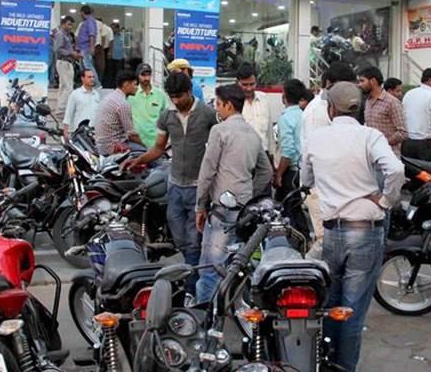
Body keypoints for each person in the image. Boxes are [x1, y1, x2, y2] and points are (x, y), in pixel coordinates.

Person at [300, 81, 404, 372]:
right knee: (352, 311)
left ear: (331, 109)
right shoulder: (370, 136)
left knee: (330, 305)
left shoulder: (316, 139)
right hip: (365, 230)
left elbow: (305, 179)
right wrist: (386, 201)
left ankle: (326, 363)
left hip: (332, 232)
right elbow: (396, 170)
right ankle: (344, 367)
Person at [125, 72, 218, 294]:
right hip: (174, 187)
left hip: (198, 188)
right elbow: (158, 148)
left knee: (194, 241)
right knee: (180, 238)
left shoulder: (208, 115)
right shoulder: (166, 117)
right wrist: (139, 160)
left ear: (189, 92)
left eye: (179, 96)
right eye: (172, 97)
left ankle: (192, 289)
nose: (175, 101)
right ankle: (193, 275)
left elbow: (219, 145)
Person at [195, 84, 272, 302]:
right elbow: (266, 172)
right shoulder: (252, 134)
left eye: (219, 104)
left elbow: (207, 172)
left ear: (229, 105)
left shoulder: (220, 131)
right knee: (238, 266)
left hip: (222, 211)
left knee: (210, 269)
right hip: (245, 212)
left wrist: (200, 206)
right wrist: (248, 193)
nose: (217, 109)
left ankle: (205, 316)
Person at [300, 62, 358, 259]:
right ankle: (302, 269)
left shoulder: (336, 107)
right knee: (324, 239)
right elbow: (314, 153)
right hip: (319, 186)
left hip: (333, 185)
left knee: (335, 239)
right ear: (329, 84)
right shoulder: (319, 109)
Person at [274, 79, 308, 236]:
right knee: (295, 208)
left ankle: (296, 241)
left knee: (289, 211)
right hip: (303, 169)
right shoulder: (304, 115)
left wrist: (279, 174)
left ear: (284, 96)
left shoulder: (286, 118)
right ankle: (303, 238)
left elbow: (288, 152)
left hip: (291, 172)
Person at [358, 66, 407, 157]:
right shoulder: (368, 101)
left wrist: (383, 143)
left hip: (389, 156)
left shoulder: (391, 102)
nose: (359, 85)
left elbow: (402, 132)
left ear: (373, 81)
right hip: (371, 155)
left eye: (362, 81)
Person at [94, 70, 144, 156]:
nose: (137, 88)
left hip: (102, 146)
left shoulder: (109, 97)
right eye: (135, 84)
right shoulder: (122, 103)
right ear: (126, 84)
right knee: (151, 155)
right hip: (113, 147)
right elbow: (131, 135)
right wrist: (149, 144)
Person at [402, 68, 431, 160]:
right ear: (429, 80)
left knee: (409, 168)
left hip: (408, 142)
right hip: (426, 143)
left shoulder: (409, 94)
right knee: (426, 168)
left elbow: (403, 116)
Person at [236, 63, 275, 157]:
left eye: (252, 84)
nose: (249, 88)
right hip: (241, 156)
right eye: (244, 85)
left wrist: (272, 154)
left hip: (263, 154)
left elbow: (269, 131)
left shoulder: (264, 99)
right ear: (237, 82)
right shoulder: (232, 103)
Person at [128, 63, 168, 149]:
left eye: (148, 75)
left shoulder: (160, 94)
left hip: (156, 142)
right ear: (137, 76)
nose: (146, 78)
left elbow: (167, 116)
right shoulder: (131, 94)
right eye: (143, 75)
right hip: (137, 142)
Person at [53, 16, 82, 117]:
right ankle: (61, 110)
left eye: (71, 25)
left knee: (63, 87)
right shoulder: (60, 34)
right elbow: (57, 49)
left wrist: (74, 54)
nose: (70, 27)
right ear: (63, 24)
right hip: (63, 62)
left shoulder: (68, 35)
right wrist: (71, 53)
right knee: (68, 87)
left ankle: (60, 109)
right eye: (69, 24)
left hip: (67, 62)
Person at [63, 68, 100, 137]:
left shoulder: (96, 94)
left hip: (93, 132)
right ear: (82, 78)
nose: (92, 79)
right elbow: (68, 113)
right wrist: (65, 131)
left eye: (93, 77)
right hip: (79, 132)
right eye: (89, 77)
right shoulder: (75, 94)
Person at [76, 5, 100, 87]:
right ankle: (87, 84)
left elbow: (92, 35)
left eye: (80, 13)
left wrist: (92, 47)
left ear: (82, 12)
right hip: (82, 48)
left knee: (88, 67)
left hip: (86, 48)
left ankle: (96, 84)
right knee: (84, 68)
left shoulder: (90, 21)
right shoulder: (86, 22)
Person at [107, 23, 125, 87]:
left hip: (120, 57)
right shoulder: (110, 36)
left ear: (117, 28)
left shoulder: (122, 36)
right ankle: (111, 86)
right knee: (111, 73)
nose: (112, 30)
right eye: (111, 28)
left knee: (119, 73)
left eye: (113, 28)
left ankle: (118, 85)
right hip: (111, 57)